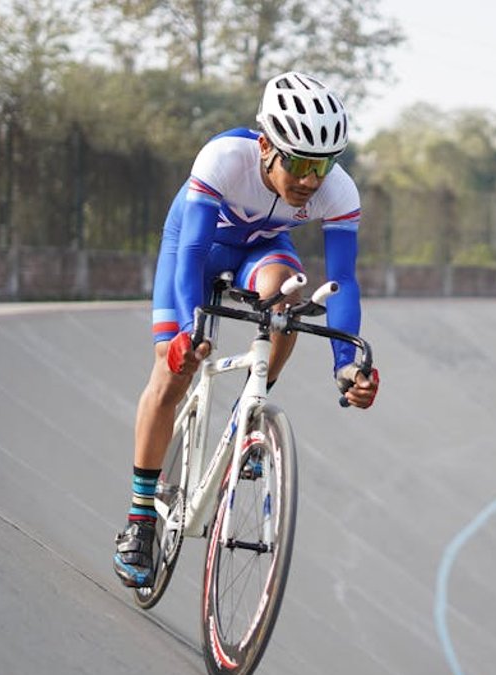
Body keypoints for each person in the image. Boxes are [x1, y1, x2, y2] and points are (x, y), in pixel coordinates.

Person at [113, 71, 380, 588]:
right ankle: (140, 517)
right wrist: (190, 332)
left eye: (321, 165)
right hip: (196, 246)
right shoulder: (224, 158)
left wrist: (347, 366)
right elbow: (190, 253)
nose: (309, 179)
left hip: (260, 250)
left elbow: (342, 280)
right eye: (299, 162)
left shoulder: (339, 191)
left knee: (290, 300)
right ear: (265, 145)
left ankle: (248, 416)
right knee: (171, 371)